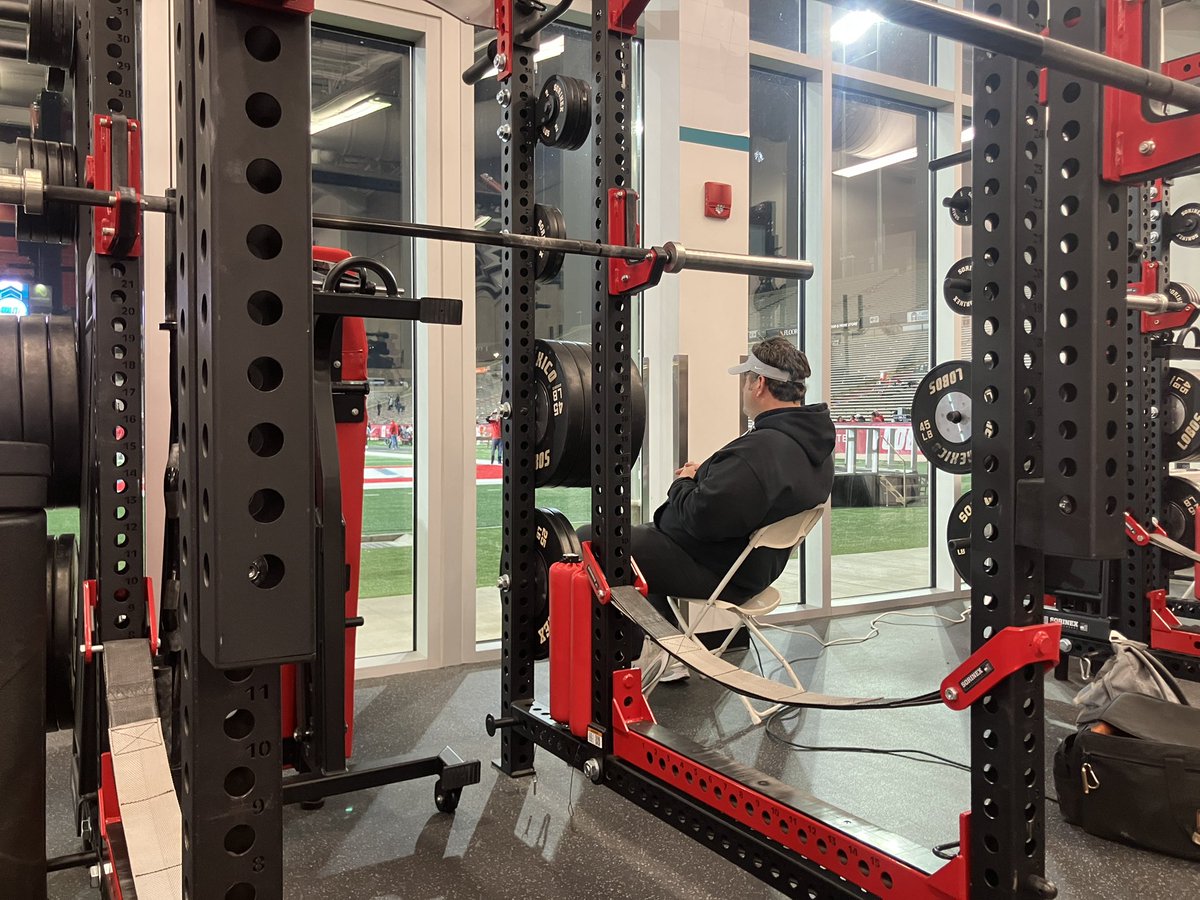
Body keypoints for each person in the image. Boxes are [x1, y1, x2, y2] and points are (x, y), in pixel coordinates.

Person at [581, 336, 835, 682]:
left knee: (597, 540)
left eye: (746, 380)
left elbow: (703, 518)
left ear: (759, 384)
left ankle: (634, 659)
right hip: (756, 566)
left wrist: (683, 482)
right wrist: (708, 475)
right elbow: (747, 492)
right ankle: (663, 648)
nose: (744, 389)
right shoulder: (809, 446)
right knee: (638, 541)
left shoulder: (761, 449)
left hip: (725, 572)